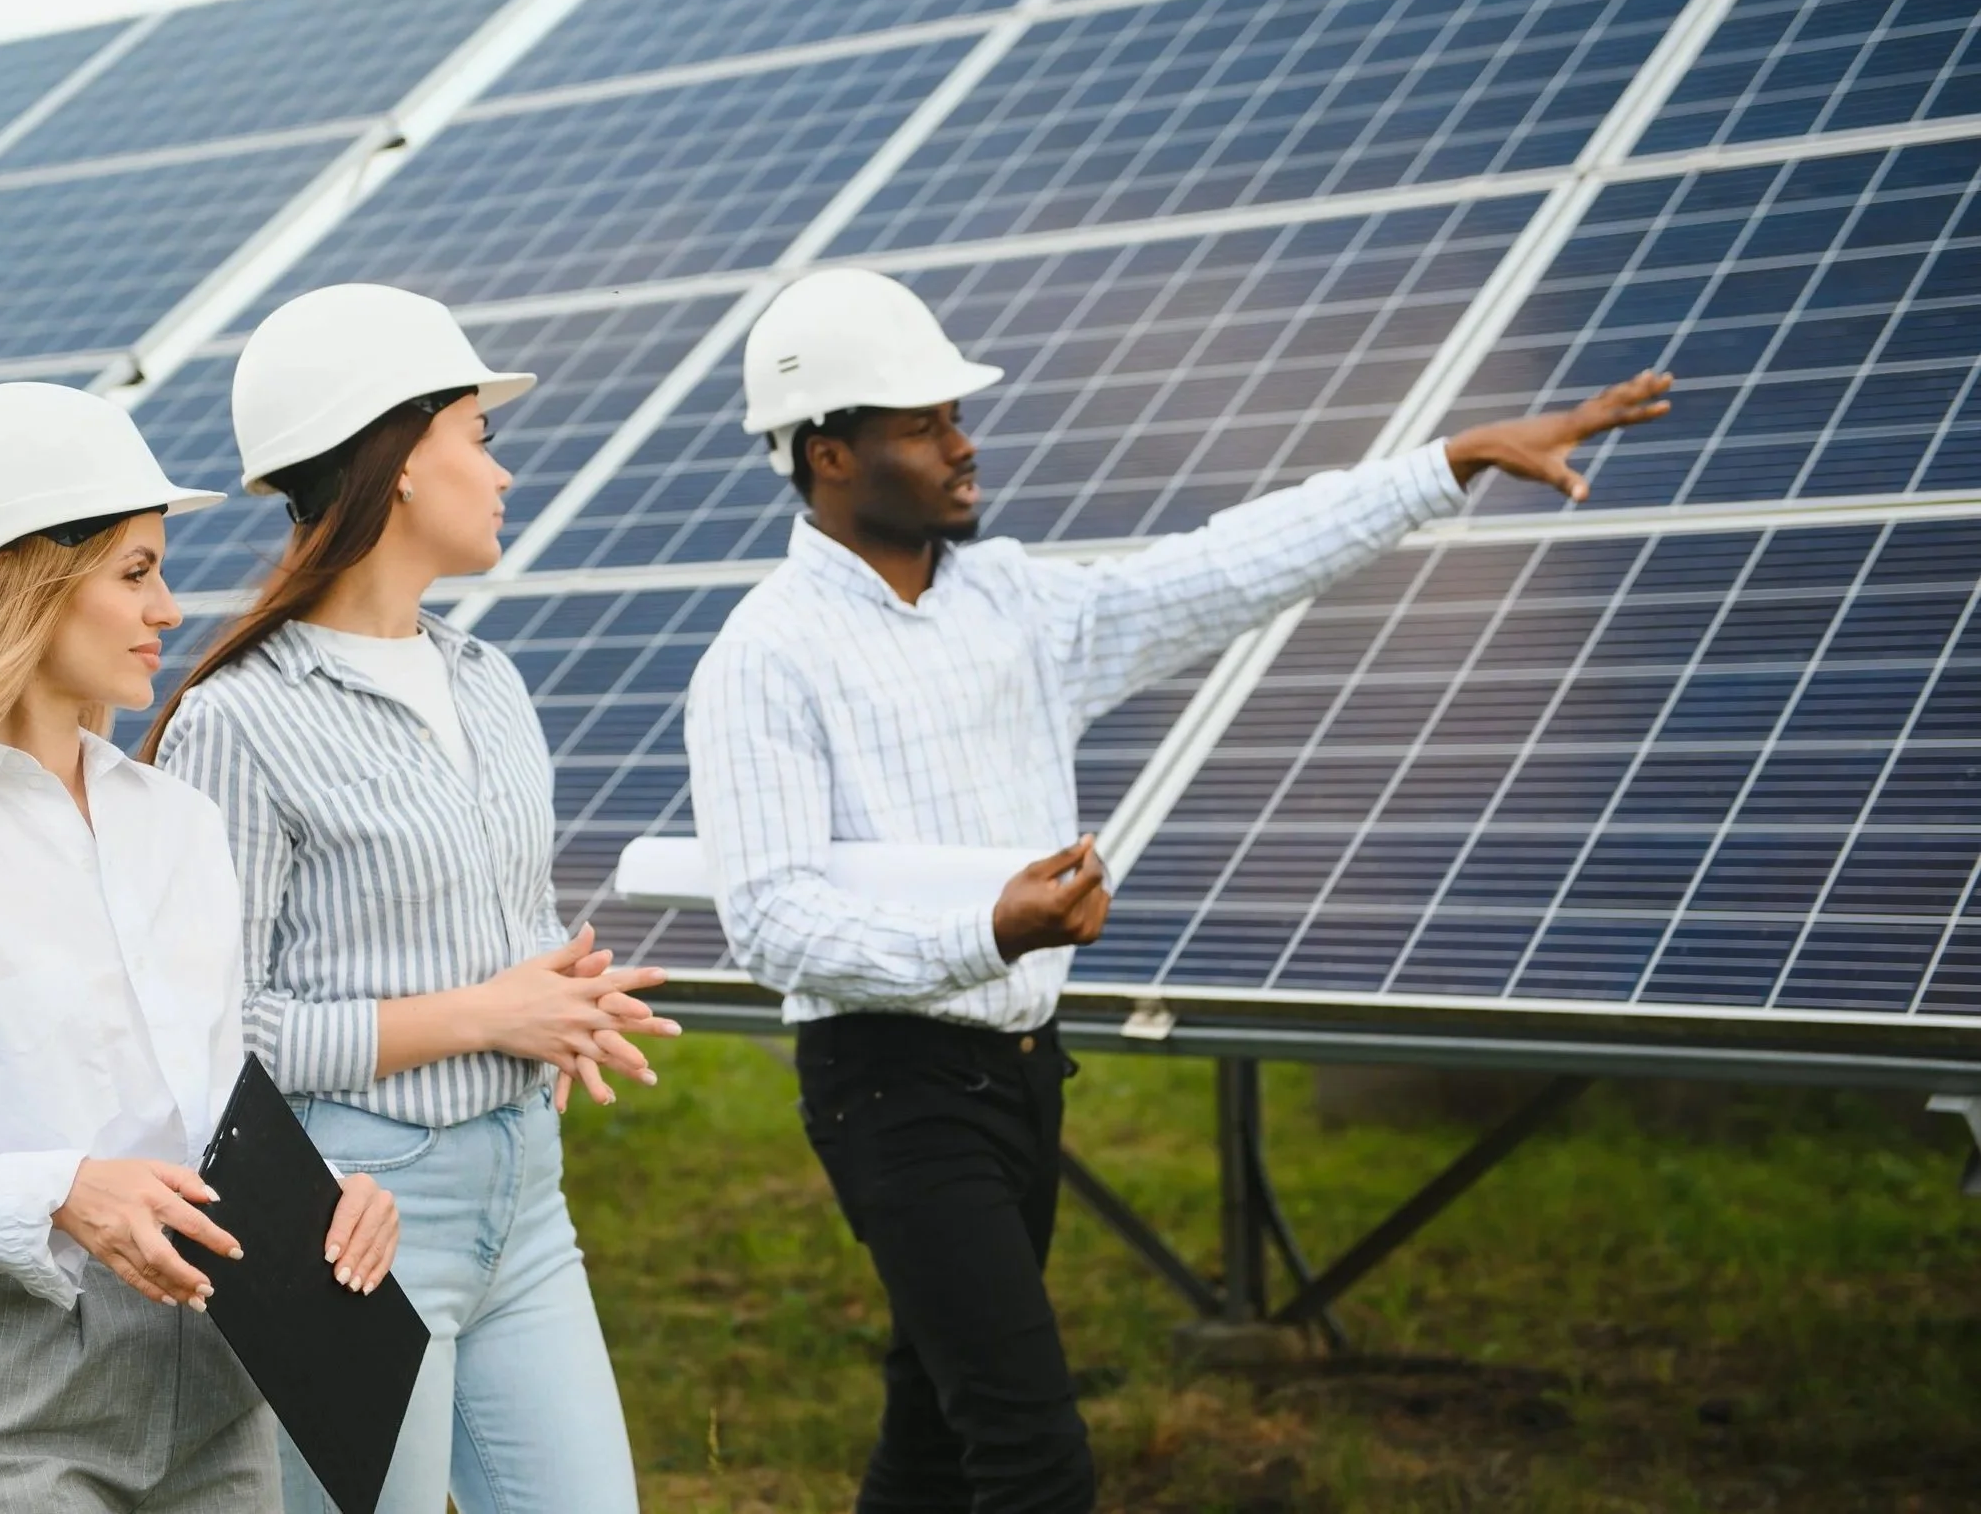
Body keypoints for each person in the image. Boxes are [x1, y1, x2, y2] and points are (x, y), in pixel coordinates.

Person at [683, 267, 1673, 1513]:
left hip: (1023, 1070)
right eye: (924, 424)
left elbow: (1217, 571)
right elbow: (769, 918)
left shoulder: (1008, 600)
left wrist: (1450, 461)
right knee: (1035, 1457)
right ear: (830, 454)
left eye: (954, 415)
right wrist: (989, 927)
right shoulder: (763, 658)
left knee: (936, 1433)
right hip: (892, 1090)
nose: (961, 443)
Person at [0, 381, 399, 1514]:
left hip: (224, 1381)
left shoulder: (176, 823)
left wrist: (325, 1195)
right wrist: (57, 1193)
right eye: (135, 572)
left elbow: (210, 1105)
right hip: (13, 1404)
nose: (170, 607)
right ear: (23, 580)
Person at [145, 284, 677, 1514]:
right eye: (475, 436)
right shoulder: (239, 721)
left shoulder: (490, 682)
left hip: (523, 1198)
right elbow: (219, 1033)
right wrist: (484, 1016)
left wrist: (563, 992)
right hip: (351, 1219)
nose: (499, 472)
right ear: (396, 458)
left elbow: (503, 934)